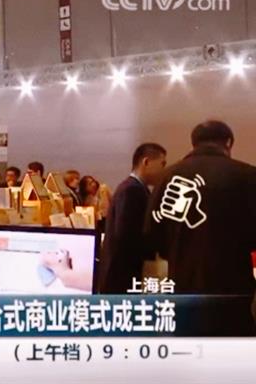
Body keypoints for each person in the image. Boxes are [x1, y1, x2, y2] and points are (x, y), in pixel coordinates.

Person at [145, 121, 256, 334]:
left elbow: (152, 236)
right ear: (228, 143)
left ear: (193, 143)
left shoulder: (168, 177)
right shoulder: (248, 176)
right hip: (233, 287)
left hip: (182, 284)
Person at [97, 143, 167, 294]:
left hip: (121, 271)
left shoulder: (135, 188)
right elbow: (125, 235)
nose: (164, 170)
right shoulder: (132, 190)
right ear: (146, 162)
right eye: (162, 164)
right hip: (121, 273)